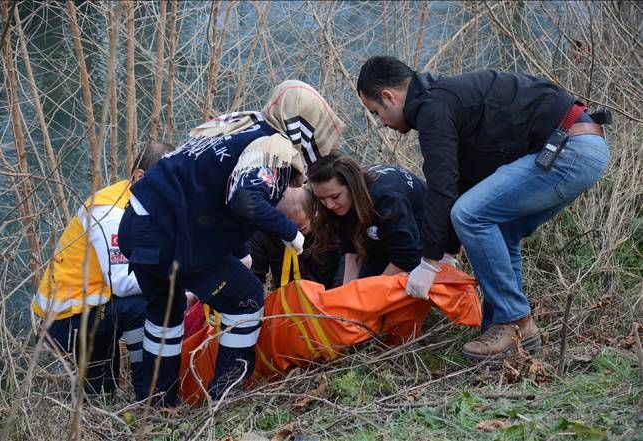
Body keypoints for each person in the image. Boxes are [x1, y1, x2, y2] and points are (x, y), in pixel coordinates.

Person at [356, 56, 610, 359]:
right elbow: (463, 180)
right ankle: (507, 333)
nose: (381, 122)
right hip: (580, 146)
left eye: (376, 112)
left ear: (388, 96)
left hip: (569, 149)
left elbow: (442, 187)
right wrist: (447, 251)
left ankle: (513, 320)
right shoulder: (444, 100)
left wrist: (428, 261)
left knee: (471, 213)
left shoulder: (434, 109)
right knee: (499, 228)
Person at [118, 80, 345, 405]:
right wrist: (291, 233)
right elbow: (244, 199)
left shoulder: (241, 123)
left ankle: (158, 405)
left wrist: (239, 252)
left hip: (136, 223)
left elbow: (210, 189)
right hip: (170, 236)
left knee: (164, 313)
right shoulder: (275, 147)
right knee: (248, 299)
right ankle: (225, 397)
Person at [32, 141, 175, 397]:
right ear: (139, 177)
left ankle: (113, 399)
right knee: (144, 304)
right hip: (66, 319)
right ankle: (148, 396)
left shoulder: (140, 203)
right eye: (166, 183)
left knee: (101, 391)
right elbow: (122, 282)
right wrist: (178, 285)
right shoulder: (110, 212)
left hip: (92, 307)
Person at [308, 152, 430, 284]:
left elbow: (407, 257)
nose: (329, 205)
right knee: (358, 290)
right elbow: (351, 249)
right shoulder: (340, 205)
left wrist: (371, 293)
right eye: (322, 199)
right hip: (380, 237)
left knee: (377, 295)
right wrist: (348, 293)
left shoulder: (386, 199)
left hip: (422, 235)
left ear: (352, 186)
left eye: (335, 196)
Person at [249, 186, 343, 291]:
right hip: (291, 301)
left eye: (300, 229)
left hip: (329, 295)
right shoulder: (263, 232)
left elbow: (345, 263)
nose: (291, 236)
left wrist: (335, 295)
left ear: (315, 212)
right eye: (283, 229)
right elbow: (253, 276)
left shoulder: (330, 222)